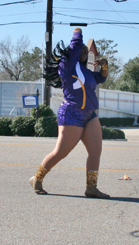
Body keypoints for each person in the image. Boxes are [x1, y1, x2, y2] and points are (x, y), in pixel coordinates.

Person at [30, 28, 110, 198]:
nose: (84, 52)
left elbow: (101, 78)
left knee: (95, 152)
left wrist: (104, 65)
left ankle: (91, 187)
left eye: (85, 51)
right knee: (61, 152)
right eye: (81, 49)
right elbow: (74, 47)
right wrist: (78, 32)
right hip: (71, 113)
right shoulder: (66, 66)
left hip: (90, 114)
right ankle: (37, 178)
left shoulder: (85, 70)